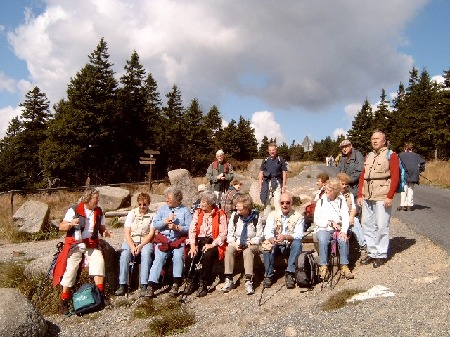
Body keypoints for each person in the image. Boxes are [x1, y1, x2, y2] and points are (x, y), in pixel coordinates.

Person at [53, 187, 111, 315]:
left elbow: (101, 228)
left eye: (97, 198)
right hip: (76, 243)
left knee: (99, 262)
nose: (98, 200)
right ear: (88, 198)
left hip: (91, 243)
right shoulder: (74, 209)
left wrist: (105, 231)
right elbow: (61, 226)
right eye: (96, 198)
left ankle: (100, 295)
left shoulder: (99, 211)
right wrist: (71, 224)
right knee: (71, 269)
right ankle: (64, 301)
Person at [357, 130, 399, 268]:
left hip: (382, 195)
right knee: (367, 225)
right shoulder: (368, 156)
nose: (375, 141)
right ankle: (372, 252)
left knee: (382, 225)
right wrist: (360, 194)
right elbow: (363, 176)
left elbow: (395, 177)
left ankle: (381, 254)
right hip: (368, 195)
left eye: (377, 139)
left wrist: (390, 196)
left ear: (384, 140)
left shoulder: (391, 155)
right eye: (373, 138)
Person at [146, 187, 192, 297]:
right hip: (164, 240)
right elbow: (155, 224)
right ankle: (151, 285)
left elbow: (190, 227)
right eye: (166, 198)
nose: (167, 200)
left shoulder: (185, 210)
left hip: (178, 240)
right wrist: (164, 222)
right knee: (159, 258)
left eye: (169, 198)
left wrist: (177, 227)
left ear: (177, 199)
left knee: (178, 256)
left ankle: (176, 284)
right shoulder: (162, 209)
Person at [185, 191, 227, 297]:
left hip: (213, 241)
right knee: (191, 255)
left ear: (210, 203)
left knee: (208, 256)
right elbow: (192, 229)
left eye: (204, 202)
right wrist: (193, 245)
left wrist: (212, 244)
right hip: (199, 240)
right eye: (201, 201)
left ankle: (203, 283)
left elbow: (223, 233)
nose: (201, 204)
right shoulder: (198, 213)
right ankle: (190, 281)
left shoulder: (220, 213)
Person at [115, 193, 155, 297]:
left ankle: (144, 284)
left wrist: (141, 245)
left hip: (145, 241)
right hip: (131, 239)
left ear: (148, 204)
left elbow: (151, 233)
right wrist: (132, 246)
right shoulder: (132, 213)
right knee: (124, 254)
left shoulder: (152, 215)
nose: (142, 207)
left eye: (145, 204)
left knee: (146, 254)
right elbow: (127, 232)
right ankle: (122, 284)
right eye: (140, 204)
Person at [222, 194, 263, 295]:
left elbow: (260, 236)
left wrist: (249, 243)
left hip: (251, 242)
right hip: (237, 241)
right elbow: (230, 234)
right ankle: (228, 279)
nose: (236, 208)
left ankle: (248, 280)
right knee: (229, 250)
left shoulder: (256, 216)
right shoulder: (235, 216)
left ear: (247, 208)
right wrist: (235, 244)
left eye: (239, 207)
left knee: (248, 252)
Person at [314, 179, 354, 280]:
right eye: (326, 189)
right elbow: (316, 219)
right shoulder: (321, 201)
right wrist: (329, 222)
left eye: (329, 190)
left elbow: (345, 217)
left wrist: (344, 231)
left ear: (335, 191)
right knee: (323, 239)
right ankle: (324, 266)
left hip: (338, 228)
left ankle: (344, 265)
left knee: (343, 239)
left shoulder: (341, 200)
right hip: (324, 227)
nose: (326, 191)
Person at [262, 192, 303, 289]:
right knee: (266, 245)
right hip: (276, 244)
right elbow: (268, 232)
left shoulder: (298, 216)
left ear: (291, 203)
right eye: (282, 203)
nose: (285, 205)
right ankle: (269, 275)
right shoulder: (272, 215)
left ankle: (290, 273)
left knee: (298, 244)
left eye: (287, 203)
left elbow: (299, 234)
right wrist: (273, 239)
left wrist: (285, 237)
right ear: (279, 203)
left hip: (289, 244)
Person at [337, 173, 366, 251]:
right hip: (337, 218)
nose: (344, 186)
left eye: (346, 184)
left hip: (347, 217)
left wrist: (351, 217)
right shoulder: (334, 194)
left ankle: (363, 244)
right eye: (342, 184)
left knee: (355, 220)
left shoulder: (349, 194)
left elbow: (353, 207)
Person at [259, 143, 288, 218]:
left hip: (277, 182)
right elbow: (261, 173)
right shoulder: (265, 160)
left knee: (277, 202)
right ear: (268, 151)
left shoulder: (280, 159)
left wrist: (284, 185)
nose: (272, 152)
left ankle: (279, 219)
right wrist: (260, 186)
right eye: (270, 150)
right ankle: (267, 220)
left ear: (276, 150)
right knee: (266, 201)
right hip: (267, 182)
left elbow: (284, 172)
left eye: (273, 150)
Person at [398, 142, 426, 211]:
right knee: (411, 189)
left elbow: (398, 164)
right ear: (412, 148)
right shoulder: (416, 155)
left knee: (404, 189)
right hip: (414, 175)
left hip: (404, 175)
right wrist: (419, 171)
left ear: (405, 148)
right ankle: (409, 206)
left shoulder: (401, 155)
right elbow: (422, 163)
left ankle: (403, 205)